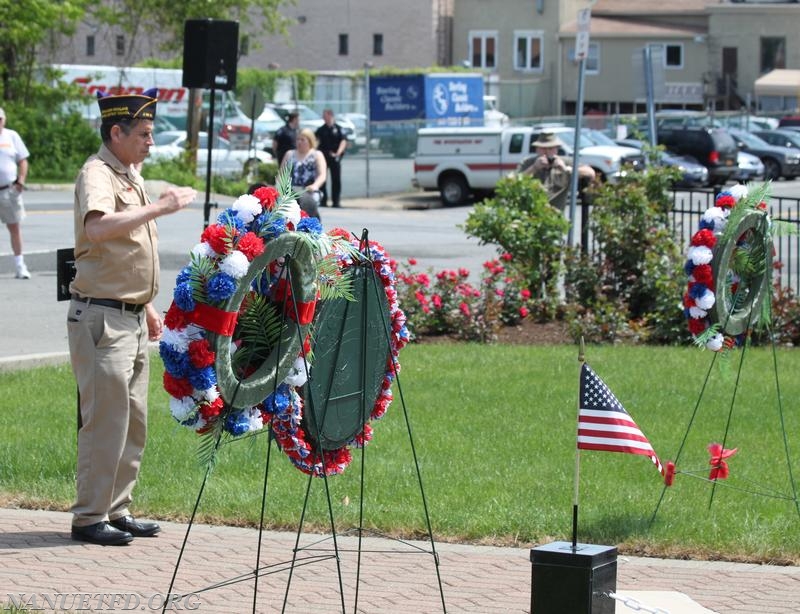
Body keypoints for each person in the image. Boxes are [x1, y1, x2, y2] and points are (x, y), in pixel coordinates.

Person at [68, 88, 196, 546]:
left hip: (130, 316)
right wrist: (160, 206)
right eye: (143, 133)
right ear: (116, 132)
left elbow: (125, 252)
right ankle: (89, 517)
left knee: (133, 420)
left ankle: (116, 508)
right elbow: (98, 229)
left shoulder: (129, 174)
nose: (150, 141)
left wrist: (145, 303)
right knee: (106, 419)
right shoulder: (97, 174)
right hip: (102, 319)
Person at [519, 132, 596, 210]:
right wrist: (534, 168)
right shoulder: (528, 162)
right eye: (542, 148)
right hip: (532, 213)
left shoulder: (564, 161)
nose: (546, 152)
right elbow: (515, 181)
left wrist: (565, 169)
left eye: (550, 148)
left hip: (556, 214)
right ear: (537, 149)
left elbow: (590, 173)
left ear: (556, 150)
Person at [0, 107, 31, 279]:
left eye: (0, 119)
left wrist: (21, 181)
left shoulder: (11, 136)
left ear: (4, 120)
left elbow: (23, 160)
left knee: (15, 227)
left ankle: (20, 266)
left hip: (8, 189)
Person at [282, 128, 326, 219]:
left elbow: (322, 175)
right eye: (298, 139)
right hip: (291, 191)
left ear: (310, 141)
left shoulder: (317, 155)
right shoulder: (289, 154)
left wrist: (315, 185)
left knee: (308, 214)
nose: (299, 142)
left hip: (309, 190)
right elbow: (281, 175)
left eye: (302, 140)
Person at [315, 109, 347, 208]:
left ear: (330, 115)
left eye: (325, 116)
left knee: (336, 179)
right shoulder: (321, 130)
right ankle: (323, 200)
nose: (324, 118)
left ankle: (336, 201)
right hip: (324, 157)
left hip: (335, 157)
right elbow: (315, 141)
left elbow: (343, 141)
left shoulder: (338, 129)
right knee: (322, 179)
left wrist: (338, 153)